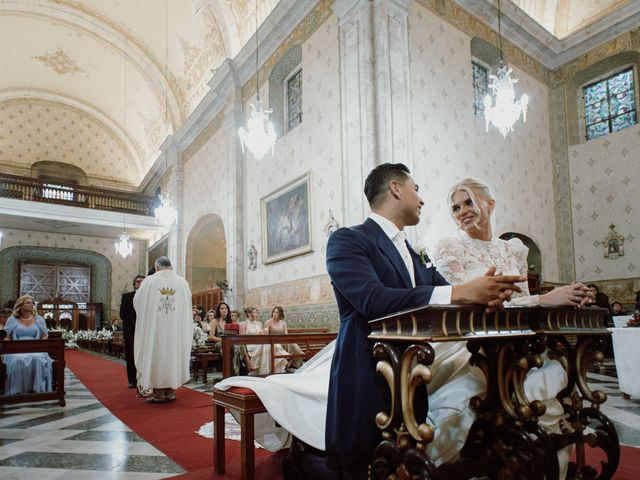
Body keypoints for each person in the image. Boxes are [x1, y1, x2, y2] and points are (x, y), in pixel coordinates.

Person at [432, 178, 594, 477]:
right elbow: (466, 303)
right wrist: (545, 298)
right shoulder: (450, 248)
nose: (462, 211)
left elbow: (523, 301)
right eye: (455, 207)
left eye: (468, 202)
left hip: (519, 344)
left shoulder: (514, 250)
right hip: (472, 344)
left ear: (490, 204)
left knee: (549, 400)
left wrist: (568, 297)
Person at [133, 256, 193, 404]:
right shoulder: (182, 283)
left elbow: (137, 302)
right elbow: (187, 305)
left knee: (155, 354)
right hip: (176, 330)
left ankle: (159, 393)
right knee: (173, 354)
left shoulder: (149, 281)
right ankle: (170, 391)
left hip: (155, 329)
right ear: (171, 267)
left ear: (156, 267)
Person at [2, 295, 53, 395]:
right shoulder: (12, 320)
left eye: (32, 303)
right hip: (17, 348)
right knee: (17, 359)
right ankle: (17, 389)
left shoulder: (39, 320)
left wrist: (40, 346)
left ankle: (36, 388)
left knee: (37, 358)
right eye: (28, 302)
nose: (32, 305)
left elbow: (44, 336)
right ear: (20, 306)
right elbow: (7, 336)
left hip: (36, 348)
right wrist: (9, 345)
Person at [240, 307, 288, 375]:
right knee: (267, 344)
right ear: (248, 314)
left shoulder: (259, 324)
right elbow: (241, 339)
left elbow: (264, 335)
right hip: (250, 344)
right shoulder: (243, 324)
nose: (256, 314)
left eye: (256, 312)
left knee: (269, 344)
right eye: (254, 312)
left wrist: (263, 332)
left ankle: (274, 369)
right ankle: (283, 357)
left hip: (259, 342)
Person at [119, 275, 145, 389]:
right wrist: (136, 323)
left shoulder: (149, 297)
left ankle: (145, 379)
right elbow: (123, 314)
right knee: (131, 356)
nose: (140, 284)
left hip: (145, 332)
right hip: (131, 331)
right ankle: (132, 380)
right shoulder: (127, 297)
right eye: (138, 282)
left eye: (143, 282)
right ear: (134, 284)